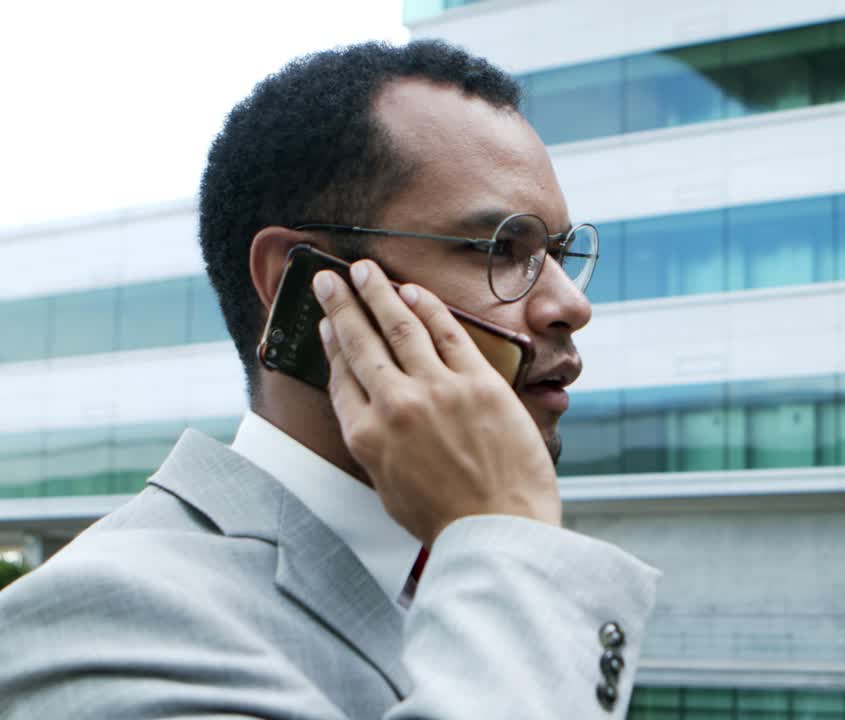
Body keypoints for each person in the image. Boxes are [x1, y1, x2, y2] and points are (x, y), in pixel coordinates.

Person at [0, 40, 659, 718]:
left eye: (557, 253)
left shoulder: (470, 560)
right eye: (499, 249)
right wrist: (510, 540)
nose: (571, 305)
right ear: (306, 282)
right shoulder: (99, 620)